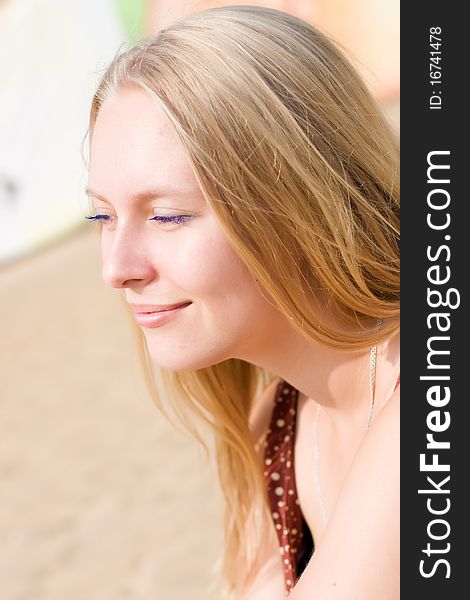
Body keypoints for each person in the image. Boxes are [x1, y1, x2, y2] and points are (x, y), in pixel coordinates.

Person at [84, 5, 400, 599]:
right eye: (101, 216)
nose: (116, 269)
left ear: (300, 201)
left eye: (168, 216)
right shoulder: (276, 431)